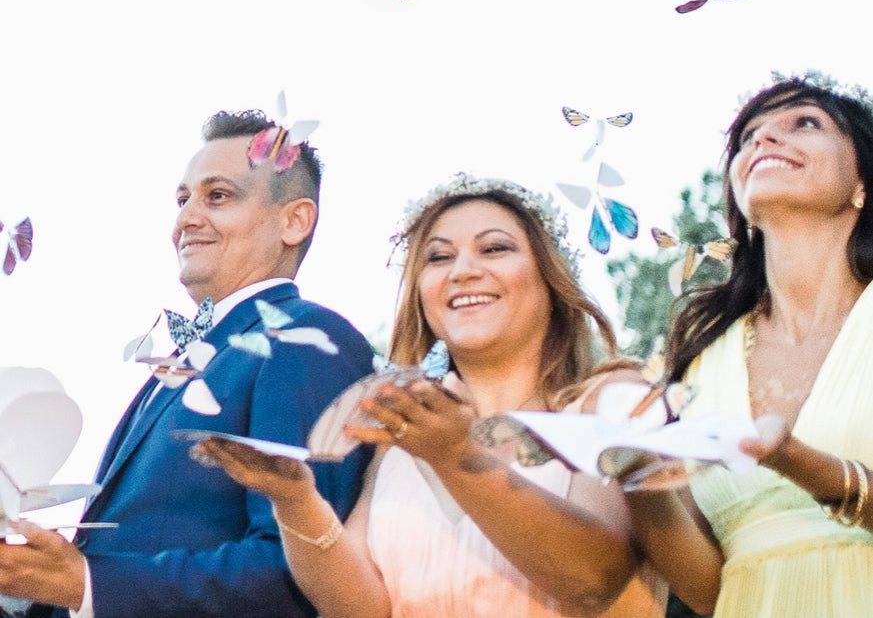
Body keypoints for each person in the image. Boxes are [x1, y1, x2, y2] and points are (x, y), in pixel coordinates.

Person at [197, 173, 667, 618]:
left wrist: (456, 456)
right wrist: (295, 499)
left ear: (550, 276)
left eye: (494, 248)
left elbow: (594, 580)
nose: (463, 271)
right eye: (439, 258)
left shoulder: (612, 401)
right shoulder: (403, 438)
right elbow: (363, 608)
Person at [0, 110, 376, 618]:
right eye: (183, 200)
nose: (186, 220)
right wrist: (25, 586)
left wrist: (87, 583)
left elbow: (298, 571)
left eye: (217, 196)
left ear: (294, 221)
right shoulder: (183, 361)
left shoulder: (306, 341)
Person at [624, 71, 873, 617]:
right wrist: (635, 476)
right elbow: (711, 587)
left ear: (863, 181)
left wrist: (803, 464)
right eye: (747, 137)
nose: (764, 138)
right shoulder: (702, 359)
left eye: (805, 123)